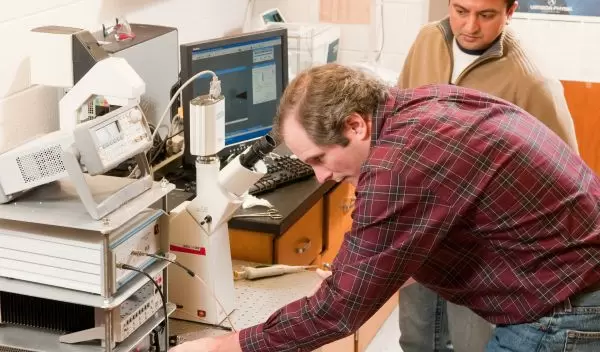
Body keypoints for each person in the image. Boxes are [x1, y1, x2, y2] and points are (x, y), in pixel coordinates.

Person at [170, 64, 600, 352]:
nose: (321, 177)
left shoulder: (401, 162)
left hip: (561, 309)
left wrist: (220, 346)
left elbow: (337, 313)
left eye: (320, 159)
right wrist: (370, 267)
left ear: (356, 125)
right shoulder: (423, 106)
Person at [398, 0, 579, 350]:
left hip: (483, 248)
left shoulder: (531, 80)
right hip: (422, 227)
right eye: (460, 10)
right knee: (417, 340)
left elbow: (567, 175)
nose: (469, 26)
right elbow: (402, 121)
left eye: (485, 15)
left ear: (510, 12)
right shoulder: (426, 41)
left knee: (474, 345)